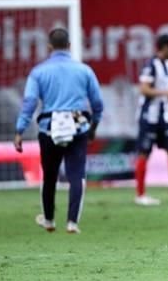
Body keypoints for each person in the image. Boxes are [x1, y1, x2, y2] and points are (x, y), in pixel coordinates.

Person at [13, 28, 103, 234]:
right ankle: (72, 222)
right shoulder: (84, 70)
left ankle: (49, 220)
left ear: (49, 47)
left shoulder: (38, 72)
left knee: (50, 176)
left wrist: (20, 129)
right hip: (78, 125)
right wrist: (93, 126)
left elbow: (29, 102)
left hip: (49, 127)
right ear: (70, 46)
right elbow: (97, 103)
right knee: (76, 175)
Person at [135, 34, 168, 206]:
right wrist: (166, 94)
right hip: (149, 117)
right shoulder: (151, 65)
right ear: (165, 47)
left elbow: (167, 93)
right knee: (144, 154)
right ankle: (140, 195)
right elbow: (144, 89)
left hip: (164, 117)